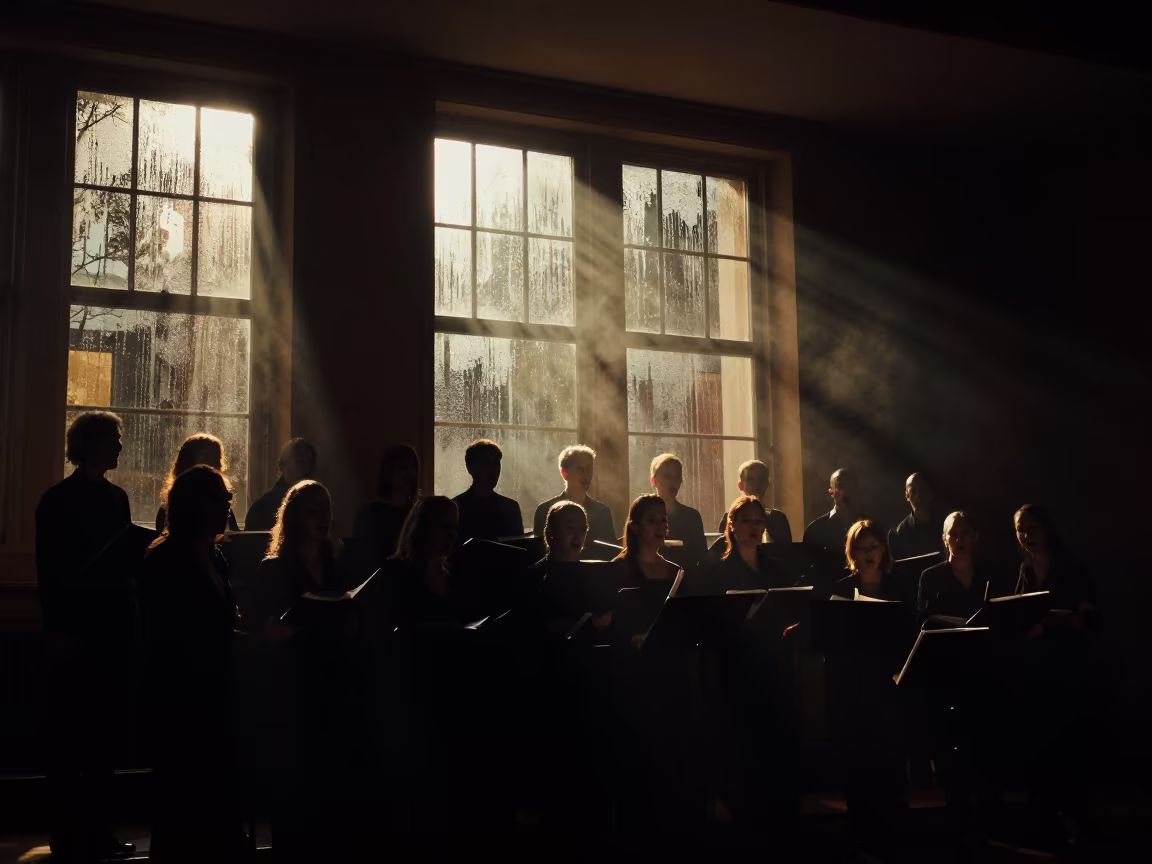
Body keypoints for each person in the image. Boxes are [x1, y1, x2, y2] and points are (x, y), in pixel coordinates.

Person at [35, 411, 136, 860]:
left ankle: (95, 832)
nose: (120, 446)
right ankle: (70, 834)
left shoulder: (116, 499)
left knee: (102, 743)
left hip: (107, 632)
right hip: (76, 633)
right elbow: (50, 574)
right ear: (90, 444)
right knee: (73, 742)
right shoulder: (59, 501)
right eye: (114, 438)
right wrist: (58, 631)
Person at [138, 466, 247, 861]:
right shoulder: (165, 560)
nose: (226, 509)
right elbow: (167, 636)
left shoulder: (215, 556)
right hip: (181, 704)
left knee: (216, 810)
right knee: (183, 812)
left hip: (215, 699)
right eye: (219, 501)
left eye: (228, 500)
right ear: (194, 506)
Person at [242, 481, 340, 640]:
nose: (324, 517)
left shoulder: (335, 567)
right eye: (313, 510)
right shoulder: (273, 570)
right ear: (295, 516)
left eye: (327, 509)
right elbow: (251, 625)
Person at [380, 495, 468, 628]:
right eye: (445, 527)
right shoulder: (396, 572)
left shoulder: (455, 575)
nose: (452, 535)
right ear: (424, 528)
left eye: (454, 528)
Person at [529, 501, 613, 638]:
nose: (578, 536)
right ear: (550, 533)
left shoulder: (595, 574)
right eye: (570, 528)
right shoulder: (535, 577)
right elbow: (535, 625)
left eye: (582, 529)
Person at [693, 496, 792, 594]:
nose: (754, 526)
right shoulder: (718, 572)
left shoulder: (776, 570)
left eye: (759, 521)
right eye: (746, 520)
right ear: (732, 525)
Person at [533, 445, 617, 551]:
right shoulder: (545, 510)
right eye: (581, 470)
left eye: (589, 469)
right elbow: (538, 552)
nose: (587, 475)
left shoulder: (602, 512)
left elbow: (610, 553)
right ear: (564, 473)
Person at [156, 433, 240, 534]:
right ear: (187, 462)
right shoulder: (170, 512)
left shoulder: (221, 505)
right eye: (205, 458)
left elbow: (236, 540)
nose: (215, 465)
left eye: (217, 459)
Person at [352, 444, 420, 566]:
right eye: (402, 468)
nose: (409, 474)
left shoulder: (418, 513)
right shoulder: (371, 514)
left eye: (413, 468)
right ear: (389, 472)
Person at [918, 511, 988, 622]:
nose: (959, 538)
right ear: (945, 539)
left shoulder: (988, 575)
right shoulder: (931, 578)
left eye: (965, 532)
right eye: (953, 533)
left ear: (975, 537)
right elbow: (924, 622)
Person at [452, 439, 524, 545]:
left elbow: (519, 550)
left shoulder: (511, 508)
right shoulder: (455, 509)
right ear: (470, 468)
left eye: (496, 463)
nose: (493, 469)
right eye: (486, 462)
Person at [244, 438, 317, 531]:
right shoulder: (261, 510)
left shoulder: (318, 507)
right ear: (281, 466)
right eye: (299, 461)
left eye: (311, 462)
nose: (306, 467)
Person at [648, 453, 707, 568]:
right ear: (654, 481)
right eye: (667, 476)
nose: (673, 482)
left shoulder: (692, 517)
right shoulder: (644, 515)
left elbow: (701, 557)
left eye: (677, 477)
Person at [715, 459, 792, 544]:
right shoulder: (730, 517)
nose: (756, 484)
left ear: (767, 484)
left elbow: (786, 553)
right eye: (750, 479)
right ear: (741, 485)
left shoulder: (778, 519)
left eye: (762, 479)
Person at [831, 519, 901, 601]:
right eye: (861, 548)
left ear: (883, 548)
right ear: (853, 553)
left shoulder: (897, 587)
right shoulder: (842, 588)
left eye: (873, 546)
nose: (868, 552)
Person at [803, 468, 860, 556]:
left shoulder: (868, 527)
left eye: (850, 486)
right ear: (831, 492)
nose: (846, 492)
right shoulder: (815, 530)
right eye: (840, 486)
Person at [887, 473, 943, 561]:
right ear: (907, 495)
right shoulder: (902, 532)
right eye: (913, 491)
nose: (919, 495)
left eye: (923, 490)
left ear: (930, 493)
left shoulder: (945, 524)